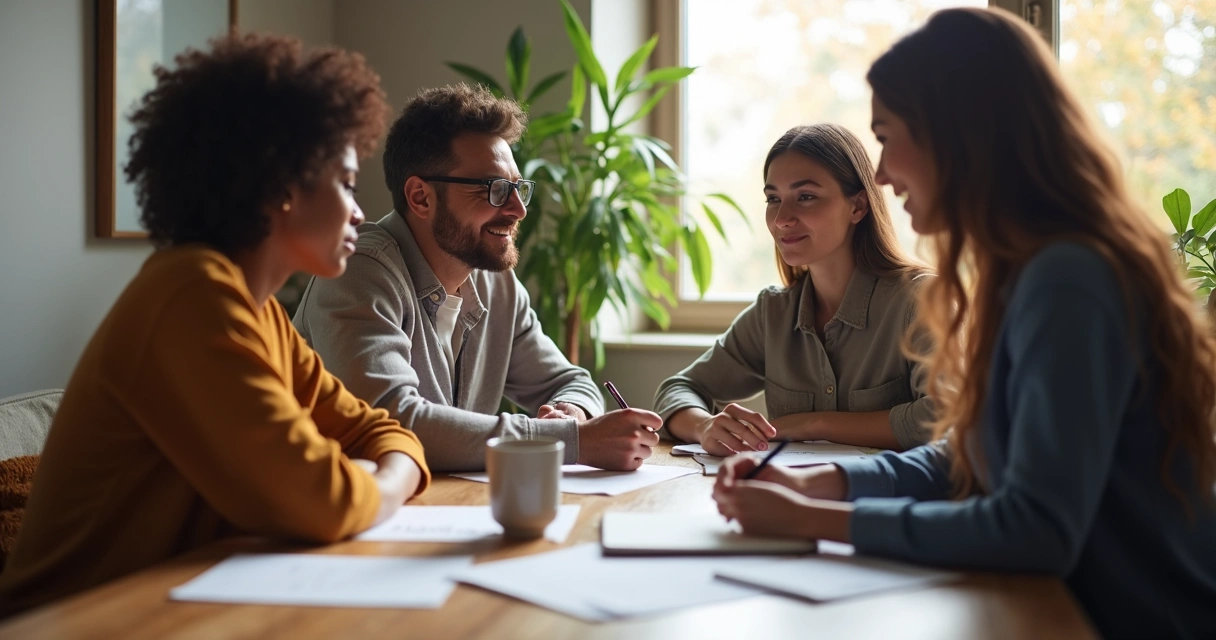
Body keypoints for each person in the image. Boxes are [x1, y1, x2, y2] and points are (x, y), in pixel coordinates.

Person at [712, 8, 1216, 639]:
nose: (886, 173)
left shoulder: (1069, 279)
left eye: (889, 138)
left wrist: (812, 521)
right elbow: (970, 455)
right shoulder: (1025, 271)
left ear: (958, 135)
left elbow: (1036, 529)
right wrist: (823, 482)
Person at [0, 33, 430, 616]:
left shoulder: (261, 313)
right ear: (282, 184)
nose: (359, 209)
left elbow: (383, 433)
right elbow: (321, 500)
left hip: (168, 606)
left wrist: (379, 471)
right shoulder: (191, 295)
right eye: (346, 183)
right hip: (72, 621)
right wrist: (386, 485)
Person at [293, 83, 661, 472]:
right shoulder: (360, 271)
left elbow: (571, 380)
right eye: (496, 189)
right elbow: (391, 421)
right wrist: (571, 441)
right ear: (420, 197)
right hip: (345, 518)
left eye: (518, 188)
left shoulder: (493, 281)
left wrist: (572, 412)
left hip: (440, 508)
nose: (518, 209)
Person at [654, 123, 933, 455]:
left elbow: (945, 417)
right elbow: (678, 389)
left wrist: (812, 424)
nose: (782, 218)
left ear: (857, 206)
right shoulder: (773, 313)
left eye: (806, 197)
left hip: (888, 503)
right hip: (787, 500)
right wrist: (705, 426)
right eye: (773, 198)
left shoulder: (920, 300)